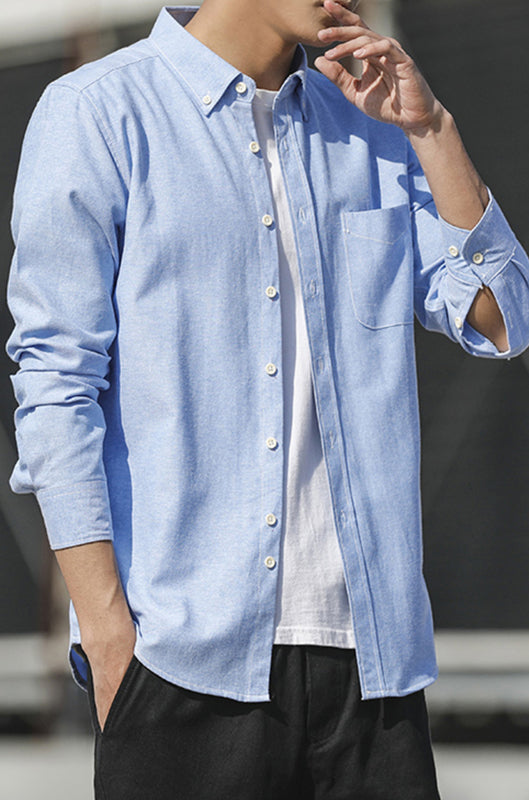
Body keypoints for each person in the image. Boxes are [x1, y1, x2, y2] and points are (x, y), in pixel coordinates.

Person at [6, 1, 529, 797]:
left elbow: (503, 319)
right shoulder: (98, 111)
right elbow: (54, 384)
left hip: (371, 667)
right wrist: (109, 637)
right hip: (179, 660)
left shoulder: (372, 121)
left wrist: (430, 130)